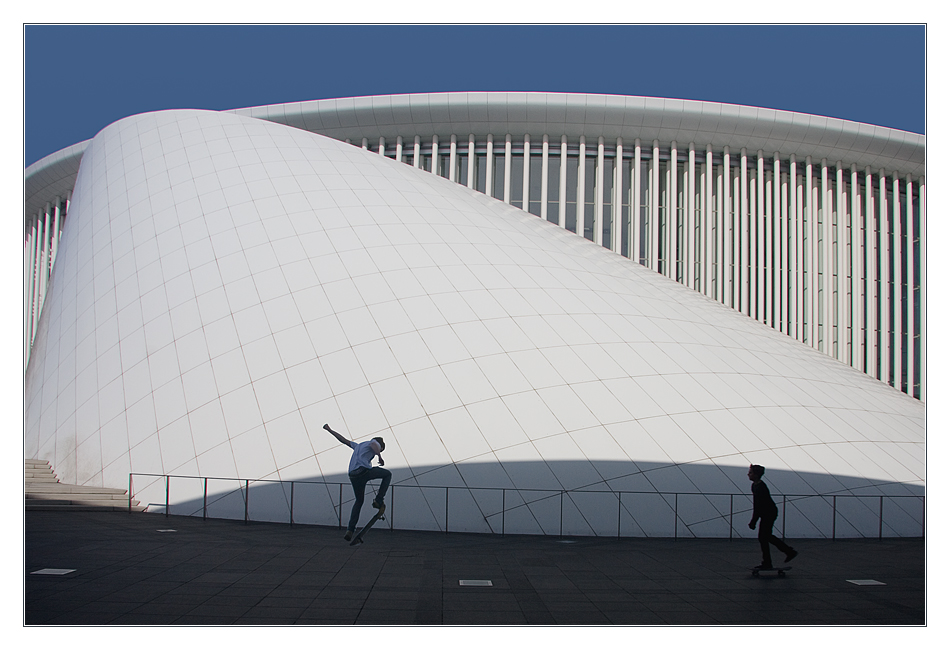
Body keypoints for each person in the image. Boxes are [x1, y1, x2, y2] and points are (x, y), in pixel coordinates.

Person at [324, 423, 392, 541]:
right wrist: (379, 456)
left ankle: (350, 530)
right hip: (363, 472)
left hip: (353, 476)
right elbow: (373, 444)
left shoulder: (358, 445)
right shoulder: (373, 443)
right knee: (387, 474)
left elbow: (343, 440)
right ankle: (378, 499)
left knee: (359, 501)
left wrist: (330, 430)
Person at [747, 464, 798, 569]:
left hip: (768, 513)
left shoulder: (760, 487)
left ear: (756, 475)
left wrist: (753, 521)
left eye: (751, 472)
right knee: (766, 537)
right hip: (767, 513)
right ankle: (787, 552)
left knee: (764, 537)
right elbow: (758, 506)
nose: (748, 474)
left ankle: (770, 561)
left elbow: (758, 505)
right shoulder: (756, 486)